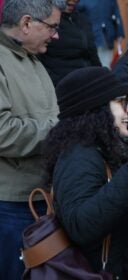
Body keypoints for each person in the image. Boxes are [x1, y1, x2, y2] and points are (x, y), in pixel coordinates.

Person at [43, 66, 128, 278]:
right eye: (121, 102)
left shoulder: (107, 146)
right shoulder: (78, 156)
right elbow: (81, 226)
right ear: (97, 110)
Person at [0, 0, 61, 278]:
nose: (56, 35)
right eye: (52, 27)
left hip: (40, 198)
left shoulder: (33, 58)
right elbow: (3, 132)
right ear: (26, 23)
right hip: (11, 205)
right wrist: (59, 129)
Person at [38, 0, 101, 86]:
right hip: (61, 88)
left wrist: (101, 78)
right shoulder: (44, 21)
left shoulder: (82, 19)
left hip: (87, 86)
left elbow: (93, 56)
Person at [77, 0, 125, 68]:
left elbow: (116, 13)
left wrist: (119, 33)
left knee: (105, 65)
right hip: (89, 39)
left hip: (106, 37)